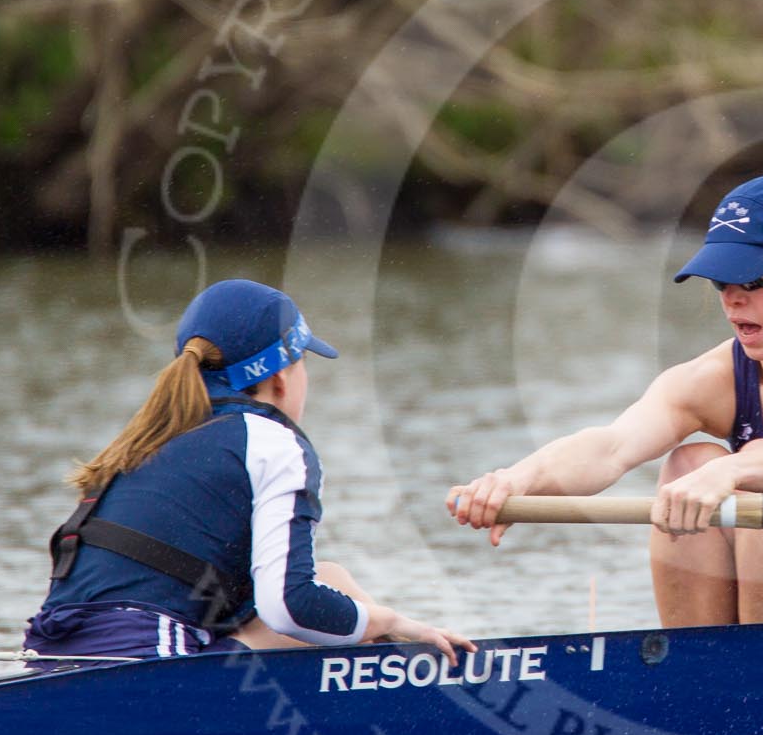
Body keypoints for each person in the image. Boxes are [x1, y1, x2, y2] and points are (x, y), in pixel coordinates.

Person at [448, 174, 763, 626]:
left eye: (754, 279)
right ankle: (704, 677)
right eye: (722, 280)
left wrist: (733, 472)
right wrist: (518, 482)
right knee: (690, 461)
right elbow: (610, 447)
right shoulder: (712, 377)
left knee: (758, 473)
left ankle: (761, 686)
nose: (733, 298)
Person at [24, 279, 474, 664]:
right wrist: (396, 622)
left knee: (330, 579)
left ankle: (396, 673)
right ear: (281, 377)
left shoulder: (150, 435)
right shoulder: (272, 442)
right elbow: (289, 608)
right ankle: (414, 679)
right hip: (145, 661)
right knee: (331, 596)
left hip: (48, 655)